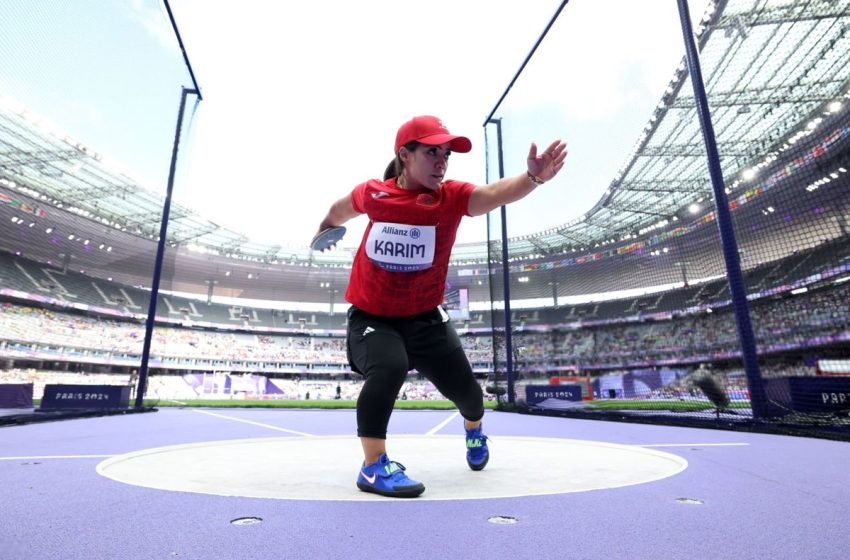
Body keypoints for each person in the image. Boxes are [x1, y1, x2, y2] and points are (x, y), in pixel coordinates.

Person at [314, 115, 567, 498]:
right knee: (389, 366)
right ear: (404, 154)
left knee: (470, 396)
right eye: (432, 152)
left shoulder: (450, 197)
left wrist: (533, 178)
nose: (442, 161)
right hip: (373, 318)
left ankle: (474, 432)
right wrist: (325, 228)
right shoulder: (374, 194)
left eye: (446, 154)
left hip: (427, 321)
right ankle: (372, 467)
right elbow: (340, 209)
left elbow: (495, 193)